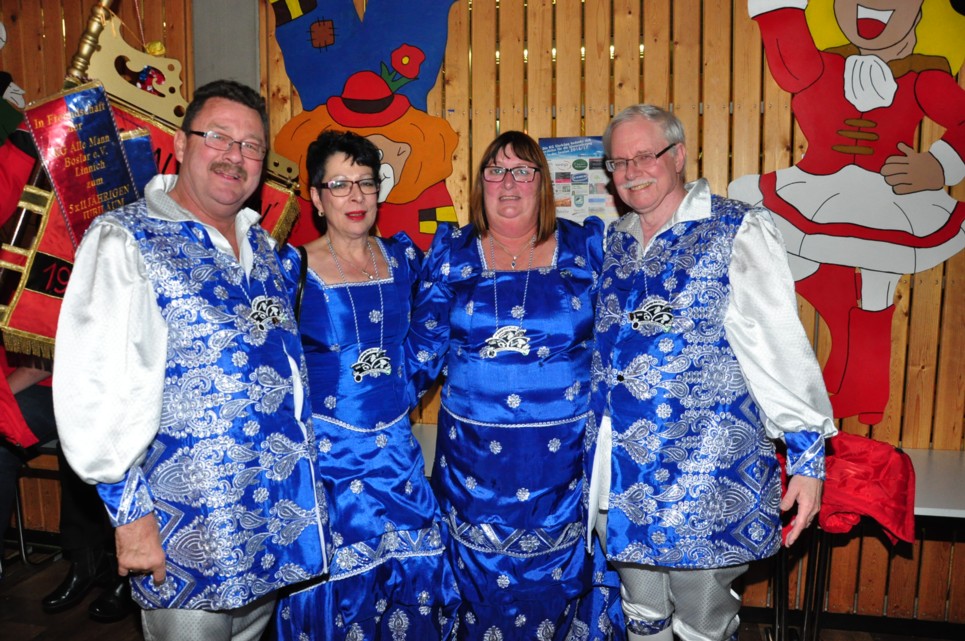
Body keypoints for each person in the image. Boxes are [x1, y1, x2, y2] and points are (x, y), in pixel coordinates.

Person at [52, 79, 329, 641]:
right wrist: (130, 517)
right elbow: (95, 389)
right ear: (180, 144)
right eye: (218, 137)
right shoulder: (126, 240)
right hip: (186, 534)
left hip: (269, 525)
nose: (235, 156)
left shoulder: (265, 249)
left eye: (251, 146)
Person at [587, 104, 837, 641]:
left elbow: (778, 345)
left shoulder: (737, 228)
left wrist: (807, 457)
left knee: (703, 620)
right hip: (619, 469)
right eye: (618, 162)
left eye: (645, 155)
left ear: (678, 155)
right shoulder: (616, 239)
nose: (631, 171)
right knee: (641, 608)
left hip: (706, 470)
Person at [406, 131, 625, 640]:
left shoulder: (586, 248)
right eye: (496, 171)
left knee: (561, 587)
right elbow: (422, 351)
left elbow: (619, 347)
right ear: (480, 183)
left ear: (542, 184)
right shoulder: (451, 253)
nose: (509, 183)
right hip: (474, 468)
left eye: (523, 171)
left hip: (565, 466)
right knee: (479, 591)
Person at [273, 130, 459, 639]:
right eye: (339, 184)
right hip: (328, 467)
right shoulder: (292, 270)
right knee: (340, 599)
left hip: (399, 459)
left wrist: (404, 393)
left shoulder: (403, 259)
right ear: (316, 197)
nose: (355, 196)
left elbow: (428, 341)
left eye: (365, 182)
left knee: (416, 586)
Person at [0, 361, 132, 622]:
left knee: (81, 441)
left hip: (83, 382)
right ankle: (89, 562)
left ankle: (118, 569)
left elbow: (43, 362)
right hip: (39, 384)